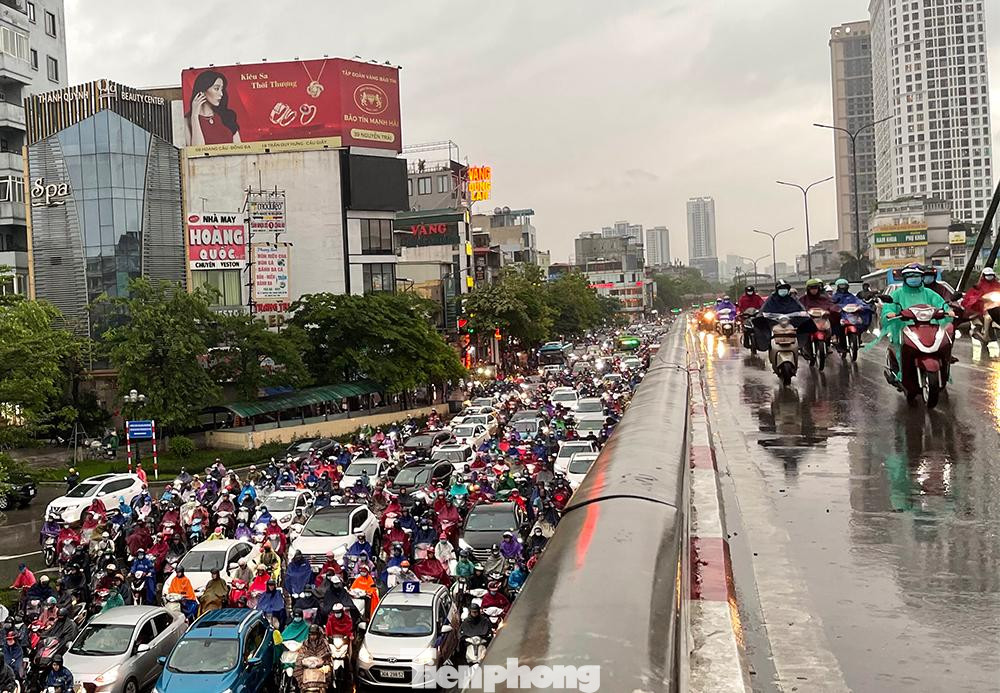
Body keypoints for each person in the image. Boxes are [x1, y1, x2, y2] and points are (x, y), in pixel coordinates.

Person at [882, 264, 952, 385]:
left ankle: (945, 371)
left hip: (929, 326)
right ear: (905, 278)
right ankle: (900, 374)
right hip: (904, 327)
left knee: (945, 342)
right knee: (900, 347)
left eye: (917, 276)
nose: (914, 278)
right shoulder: (898, 294)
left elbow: (941, 304)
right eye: (910, 276)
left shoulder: (929, 293)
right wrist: (890, 313)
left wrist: (947, 310)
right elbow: (889, 307)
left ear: (921, 278)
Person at [752, 280, 814, 352]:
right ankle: (768, 345)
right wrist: (760, 314)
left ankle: (801, 347)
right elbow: (763, 309)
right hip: (774, 322)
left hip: (790, 322)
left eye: (785, 288)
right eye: (781, 289)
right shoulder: (771, 299)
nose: (783, 290)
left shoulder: (792, 299)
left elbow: (801, 308)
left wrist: (804, 313)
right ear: (777, 290)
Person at [186, 70, 241, 146]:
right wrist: (194, 116)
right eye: (216, 89)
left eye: (222, 89)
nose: (221, 94)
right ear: (202, 91)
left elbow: (240, 149)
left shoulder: (228, 116)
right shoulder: (187, 121)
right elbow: (197, 151)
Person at [293, 625, 333, 690]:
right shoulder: (306, 643)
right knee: (297, 668)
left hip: (321, 668)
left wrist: (322, 661)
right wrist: (304, 661)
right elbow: (301, 655)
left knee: (328, 669)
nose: (313, 636)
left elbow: (328, 655)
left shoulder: (324, 643)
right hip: (307, 668)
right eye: (311, 635)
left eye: (315, 635)